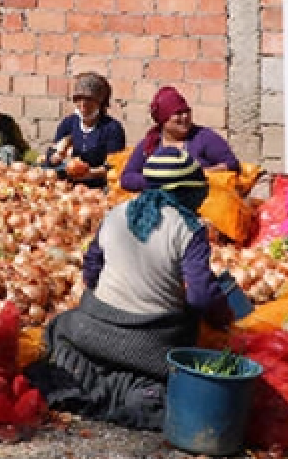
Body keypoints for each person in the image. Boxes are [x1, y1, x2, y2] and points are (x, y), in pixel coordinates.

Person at [27, 148, 232, 430]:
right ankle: (139, 388)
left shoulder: (116, 214)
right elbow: (201, 296)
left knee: (60, 327)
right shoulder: (189, 228)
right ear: (188, 191)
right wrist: (223, 319)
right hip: (151, 343)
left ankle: (82, 371)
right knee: (184, 342)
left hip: (91, 330)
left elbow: (91, 270)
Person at [118, 86, 238, 192]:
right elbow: (127, 178)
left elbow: (232, 164)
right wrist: (158, 181)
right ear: (163, 120)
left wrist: (199, 174)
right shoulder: (150, 144)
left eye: (187, 111)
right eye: (178, 113)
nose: (185, 117)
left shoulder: (204, 137)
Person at [42, 72, 126, 188]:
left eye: (89, 100)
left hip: (98, 185)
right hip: (67, 182)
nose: (83, 105)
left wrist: (90, 174)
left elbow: (115, 165)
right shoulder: (68, 123)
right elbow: (51, 157)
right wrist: (56, 156)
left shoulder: (112, 128)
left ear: (100, 102)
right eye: (78, 99)